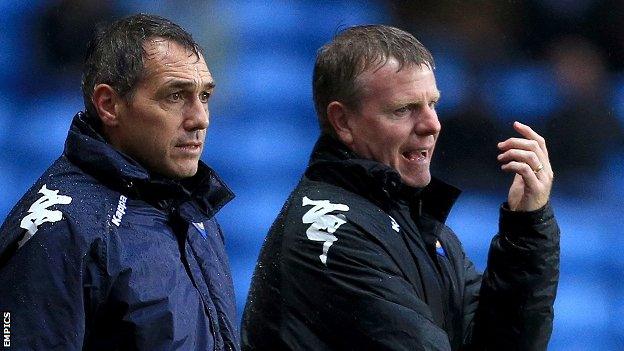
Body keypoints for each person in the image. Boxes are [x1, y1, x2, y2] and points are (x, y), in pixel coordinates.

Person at [241, 25, 559, 350]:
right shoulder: (329, 235)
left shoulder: (419, 226)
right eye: (404, 109)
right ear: (343, 121)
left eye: (432, 104)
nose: (432, 124)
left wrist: (526, 229)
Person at [0, 14, 239, 350]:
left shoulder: (194, 212)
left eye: (204, 96)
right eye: (175, 96)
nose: (200, 118)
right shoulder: (61, 230)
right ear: (109, 105)